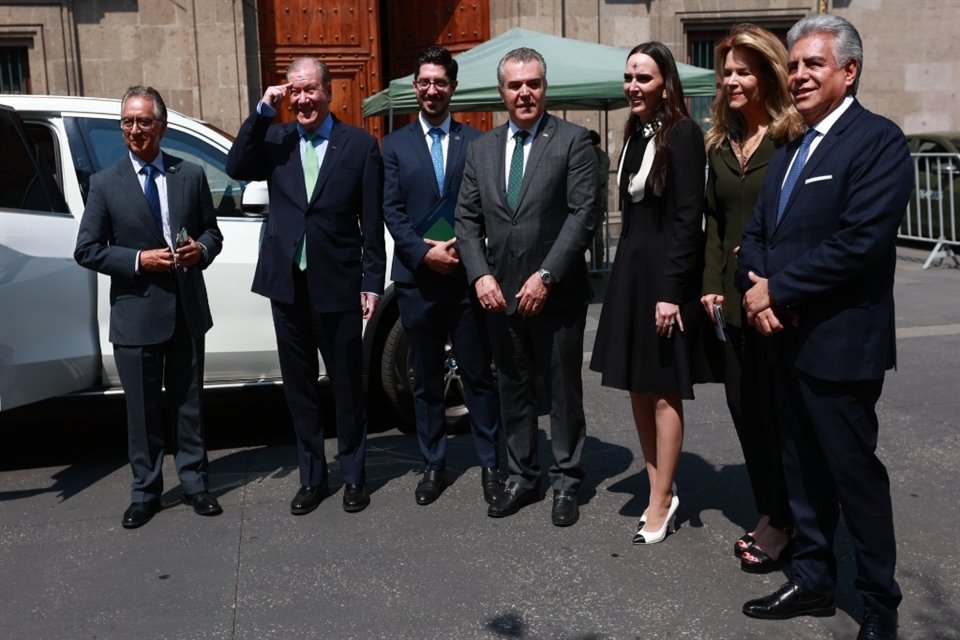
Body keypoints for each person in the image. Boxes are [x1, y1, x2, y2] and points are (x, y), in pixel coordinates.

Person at [737, 15, 911, 640]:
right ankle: (812, 580)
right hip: (781, 339)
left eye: (813, 63)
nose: (799, 74)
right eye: (793, 64)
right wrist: (757, 292)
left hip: (839, 346)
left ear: (849, 72)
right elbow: (756, 237)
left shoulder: (878, 141)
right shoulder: (790, 149)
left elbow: (859, 243)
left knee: (850, 475)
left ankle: (877, 604)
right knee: (799, 472)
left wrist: (775, 290)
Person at [226, 57, 385, 515]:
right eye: (294, 92)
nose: (302, 99)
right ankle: (312, 478)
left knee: (347, 389)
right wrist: (261, 110)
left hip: (338, 284)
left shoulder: (358, 146)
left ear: (329, 92)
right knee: (299, 390)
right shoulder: (275, 138)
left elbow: (371, 225)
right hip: (287, 286)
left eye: (310, 90)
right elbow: (237, 165)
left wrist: (372, 283)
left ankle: (354, 475)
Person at [455, 47, 597, 527]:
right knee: (512, 388)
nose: (524, 93)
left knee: (561, 391)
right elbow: (467, 219)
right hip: (500, 294)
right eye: (515, 86)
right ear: (502, 93)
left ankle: (566, 482)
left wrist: (547, 275)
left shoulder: (574, 141)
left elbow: (584, 215)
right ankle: (522, 476)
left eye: (532, 83)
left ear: (545, 86)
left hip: (556, 294)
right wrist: (479, 273)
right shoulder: (483, 148)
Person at [74, 86, 224, 528]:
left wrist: (202, 250)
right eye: (127, 122)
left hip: (185, 310)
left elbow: (213, 233)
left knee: (189, 404)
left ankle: (195, 483)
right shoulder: (105, 183)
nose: (134, 130)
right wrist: (139, 260)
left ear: (161, 126)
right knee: (141, 411)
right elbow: (87, 250)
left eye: (143, 122)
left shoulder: (191, 174)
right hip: (136, 312)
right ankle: (146, 491)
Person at [589, 42, 706, 545]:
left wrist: (670, 292)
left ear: (665, 82)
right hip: (630, 272)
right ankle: (660, 481)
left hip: (663, 276)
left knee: (663, 387)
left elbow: (686, 219)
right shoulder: (635, 131)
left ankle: (661, 499)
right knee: (636, 384)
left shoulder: (683, 134)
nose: (634, 86)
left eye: (644, 77)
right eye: (629, 77)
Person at [700, 25, 804, 571]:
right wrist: (711, 285)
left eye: (743, 71)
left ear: (768, 75)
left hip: (779, 303)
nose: (732, 80)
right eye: (727, 72)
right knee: (745, 413)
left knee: (781, 419)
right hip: (732, 310)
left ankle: (788, 521)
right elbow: (715, 221)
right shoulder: (719, 141)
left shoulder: (794, 136)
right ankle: (771, 511)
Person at [381, 46, 503, 506]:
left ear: (453, 88)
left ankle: (492, 464)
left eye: (441, 82)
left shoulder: (478, 143)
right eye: (425, 82)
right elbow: (391, 210)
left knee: (478, 375)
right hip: (417, 280)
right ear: (416, 87)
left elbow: (486, 206)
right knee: (426, 379)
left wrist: (460, 251)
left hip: (466, 276)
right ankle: (433, 465)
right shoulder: (393, 146)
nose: (432, 90)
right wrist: (422, 253)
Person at [588, 129, 611, 269]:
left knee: (593, 236)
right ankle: (598, 265)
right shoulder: (603, 155)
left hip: (592, 201)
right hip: (599, 202)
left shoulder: (592, 154)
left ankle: (597, 266)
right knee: (597, 236)